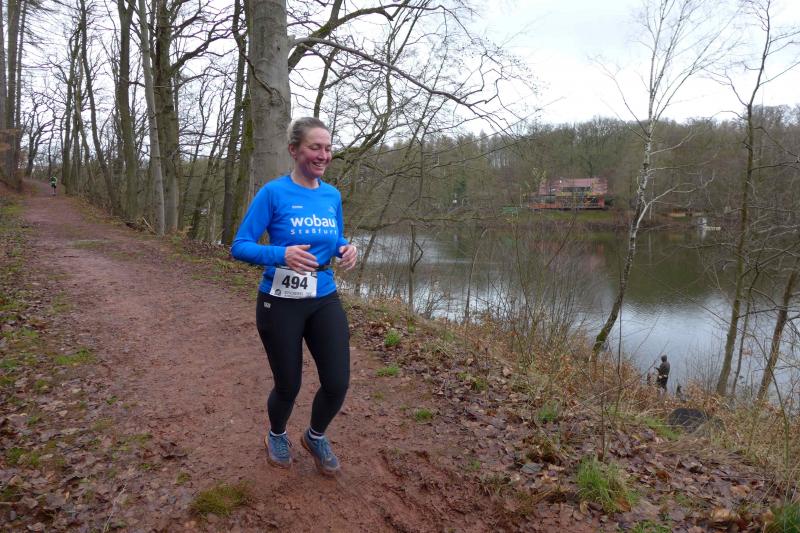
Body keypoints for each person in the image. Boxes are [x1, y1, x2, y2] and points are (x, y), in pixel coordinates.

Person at [231, 117, 357, 476]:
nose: (324, 155)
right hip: (280, 300)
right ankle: (276, 434)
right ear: (294, 150)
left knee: (337, 381)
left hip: (323, 295)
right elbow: (239, 246)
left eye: (328, 148)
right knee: (288, 385)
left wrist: (345, 248)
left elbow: (334, 237)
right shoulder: (273, 193)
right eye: (315, 147)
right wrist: (280, 254)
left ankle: (315, 436)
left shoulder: (331, 196)